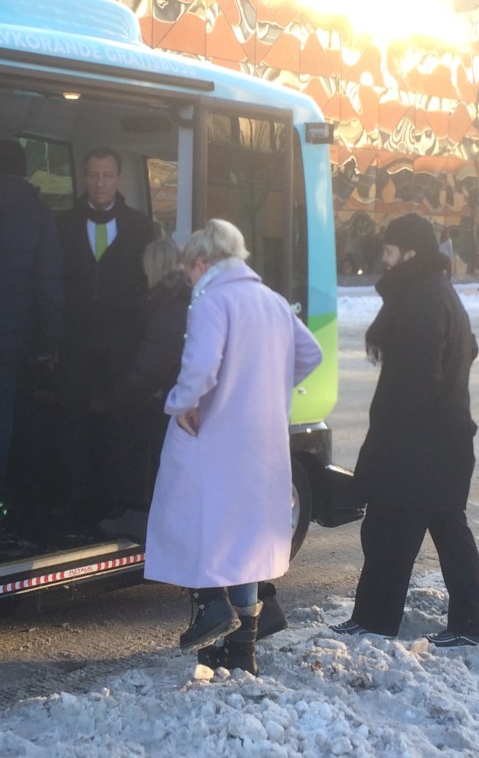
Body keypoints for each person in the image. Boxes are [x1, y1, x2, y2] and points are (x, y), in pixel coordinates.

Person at [145, 219, 323, 675]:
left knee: (184, 515)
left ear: (204, 262)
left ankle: (211, 606)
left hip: (213, 433)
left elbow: (201, 366)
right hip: (263, 439)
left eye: (190, 269)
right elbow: (311, 354)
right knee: (246, 541)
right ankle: (243, 650)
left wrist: (182, 403)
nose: (190, 278)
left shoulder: (212, 299)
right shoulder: (272, 301)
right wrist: (267, 387)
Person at [332, 213, 479, 647]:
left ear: (410, 253)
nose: (383, 259)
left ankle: (378, 620)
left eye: (389, 251)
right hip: (441, 442)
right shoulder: (433, 292)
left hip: (422, 446)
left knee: (391, 530)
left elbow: (418, 378)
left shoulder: (424, 297)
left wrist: (391, 437)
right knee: (442, 533)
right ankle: (472, 625)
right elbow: (465, 350)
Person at [54, 147, 158, 517]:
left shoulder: (142, 227)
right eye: (94, 175)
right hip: (75, 337)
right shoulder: (63, 225)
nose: (100, 183)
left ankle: (118, 497)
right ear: (85, 178)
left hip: (122, 340)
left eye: (107, 175)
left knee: (122, 418)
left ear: (119, 179)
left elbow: (151, 284)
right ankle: (74, 494)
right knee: (72, 417)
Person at [0, 139, 62, 522]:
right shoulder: (38, 214)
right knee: (0, 417)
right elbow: (48, 284)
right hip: (13, 336)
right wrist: (49, 341)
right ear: (24, 170)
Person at [98, 237, 192, 542]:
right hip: (173, 395)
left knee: (137, 440)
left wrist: (113, 399)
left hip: (161, 398)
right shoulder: (182, 299)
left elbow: (149, 369)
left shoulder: (164, 306)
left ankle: (138, 517)